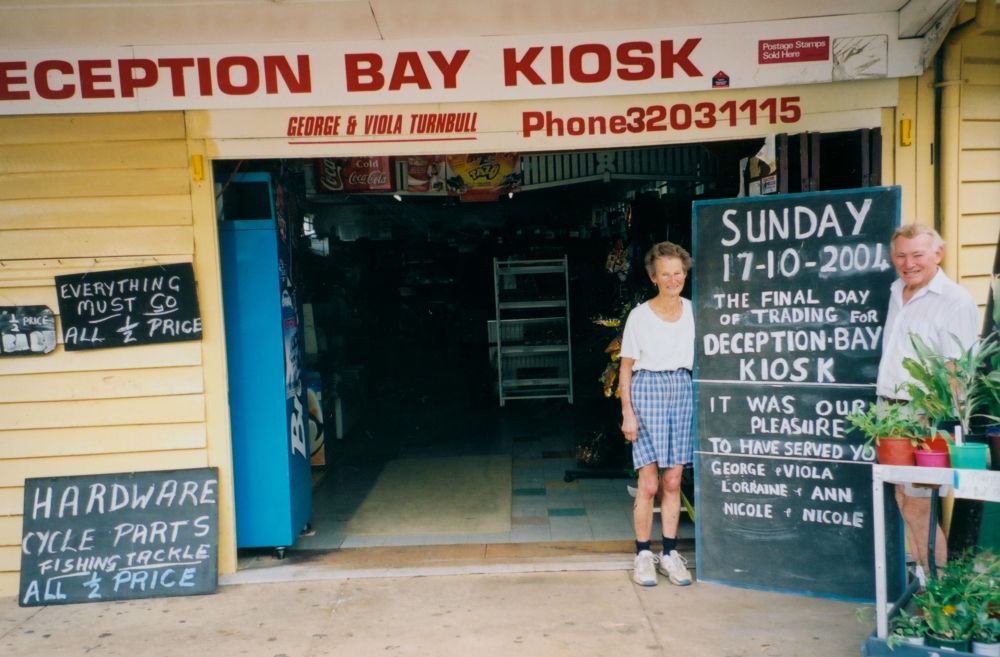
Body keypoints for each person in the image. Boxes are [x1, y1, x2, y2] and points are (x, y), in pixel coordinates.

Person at [875, 223, 979, 572]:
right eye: (901, 255)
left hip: (922, 415)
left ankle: (937, 588)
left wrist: (933, 420)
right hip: (890, 410)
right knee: (903, 497)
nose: (909, 263)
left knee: (919, 503)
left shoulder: (954, 301)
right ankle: (925, 576)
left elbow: (957, 369)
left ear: (938, 254)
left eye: (918, 254)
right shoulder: (896, 290)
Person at [619, 241, 695, 587]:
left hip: (682, 389)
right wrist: (627, 413)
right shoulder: (640, 316)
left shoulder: (695, 311)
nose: (672, 279)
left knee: (673, 480)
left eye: (677, 273)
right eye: (665, 274)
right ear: (654, 277)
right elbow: (626, 368)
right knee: (649, 484)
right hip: (647, 390)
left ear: (685, 274)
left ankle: (669, 554)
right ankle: (642, 555)